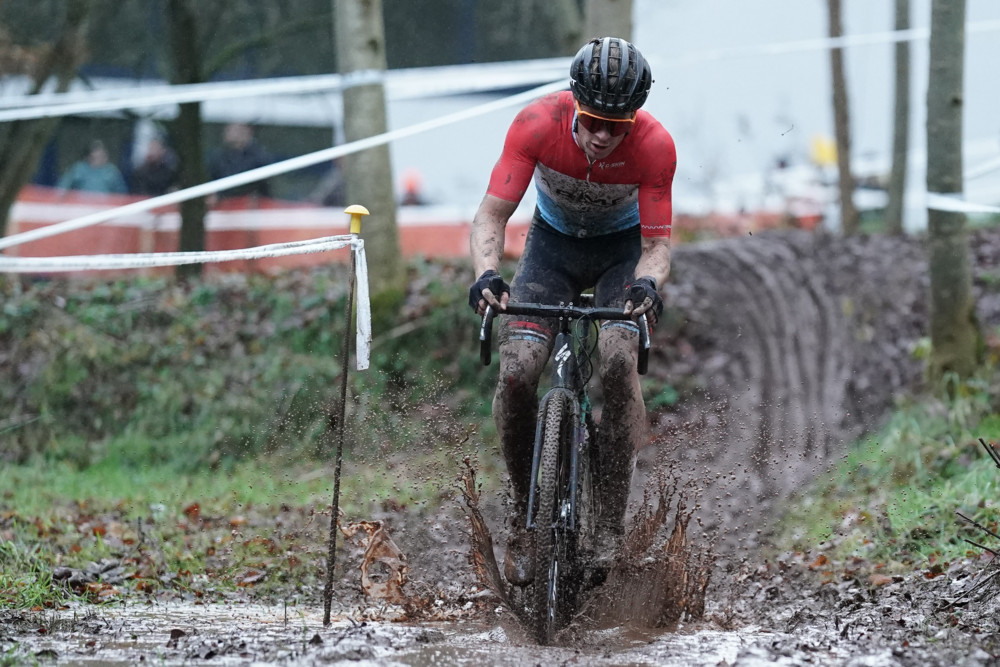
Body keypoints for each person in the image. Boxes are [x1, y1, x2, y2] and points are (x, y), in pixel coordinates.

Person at [468, 37, 676, 586]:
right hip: (551, 250)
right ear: (573, 105)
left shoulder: (656, 146)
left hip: (620, 255)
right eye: (593, 121)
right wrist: (486, 274)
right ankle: (521, 511)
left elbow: (657, 246)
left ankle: (607, 527)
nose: (604, 135)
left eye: (619, 125)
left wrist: (649, 285)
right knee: (516, 373)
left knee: (615, 360)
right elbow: (491, 216)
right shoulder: (536, 123)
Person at [206, 122, 273, 199]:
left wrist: (220, 196)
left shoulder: (258, 157)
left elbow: (245, 184)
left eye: (234, 130)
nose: (228, 133)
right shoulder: (218, 156)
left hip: (250, 205)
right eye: (228, 130)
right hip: (223, 205)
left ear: (247, 132)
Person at [57, 139, 128, 195]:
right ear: (89, 157)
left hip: (104, 208)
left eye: (102, 155)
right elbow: (62, 187)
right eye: (97, 157)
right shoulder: (79, 168)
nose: (101, 158)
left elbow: (121, 193)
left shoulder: (111, 171)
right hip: (82, 206)